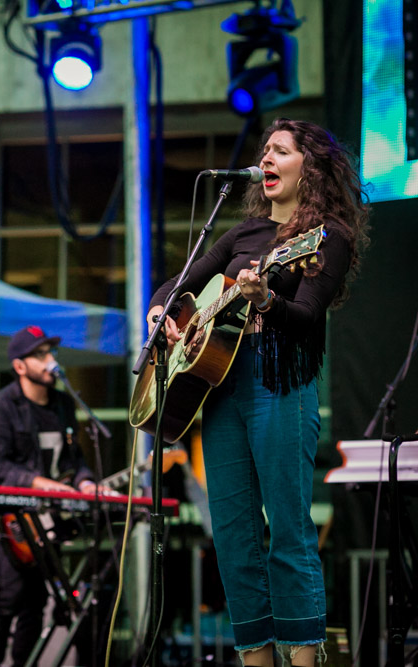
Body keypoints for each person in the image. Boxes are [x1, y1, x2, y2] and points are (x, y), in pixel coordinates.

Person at [147, 118, 369, 667]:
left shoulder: (328, 236)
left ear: (309, 167)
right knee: (232, 536)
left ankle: (301, 657)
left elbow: (308, 313)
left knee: (288, 534)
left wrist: (265, 298)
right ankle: (255, 659)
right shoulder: (240, 234)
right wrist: (163, 311)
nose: (267, 159)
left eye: (281, 152)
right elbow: (181, 285)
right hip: (218, 390)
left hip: (279, 383)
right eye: (264, 151)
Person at [0, 325, 104, 667]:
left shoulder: (63, 404)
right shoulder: (0, 407)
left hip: (53, 519)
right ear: (20, 366)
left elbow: (75, 459)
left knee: (36, 601)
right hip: (15, 520)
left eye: (52, 353)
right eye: (41, 354)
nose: (51, 361)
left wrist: (86, 481)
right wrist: (43, 485)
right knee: (7, 600)